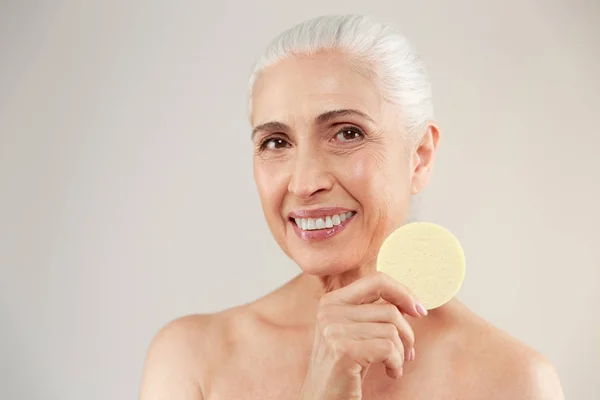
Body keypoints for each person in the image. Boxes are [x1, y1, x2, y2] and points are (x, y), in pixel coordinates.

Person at [139, 14, 564, 400]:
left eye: (346, 134)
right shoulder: (190, 361)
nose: (305, 184)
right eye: (276, 142)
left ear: (420, 156)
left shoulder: (513, 382)